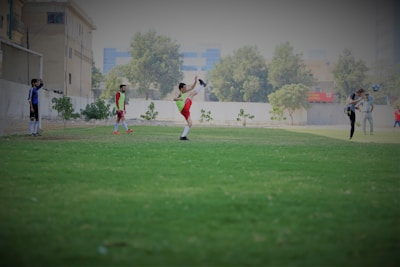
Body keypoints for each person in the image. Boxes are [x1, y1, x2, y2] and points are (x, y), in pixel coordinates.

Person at [173, 76, 207, 140]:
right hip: (184, 108)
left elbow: (191, 87)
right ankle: (202, 85)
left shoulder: (183, 92)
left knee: (190, 123)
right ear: (181, 88)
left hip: (183, 110)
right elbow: (174, 98)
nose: (186, 88)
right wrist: (179, 98)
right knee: (191, 94)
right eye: (185, 87)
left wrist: (195, 81)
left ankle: (183, 136)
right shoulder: (179, 93)